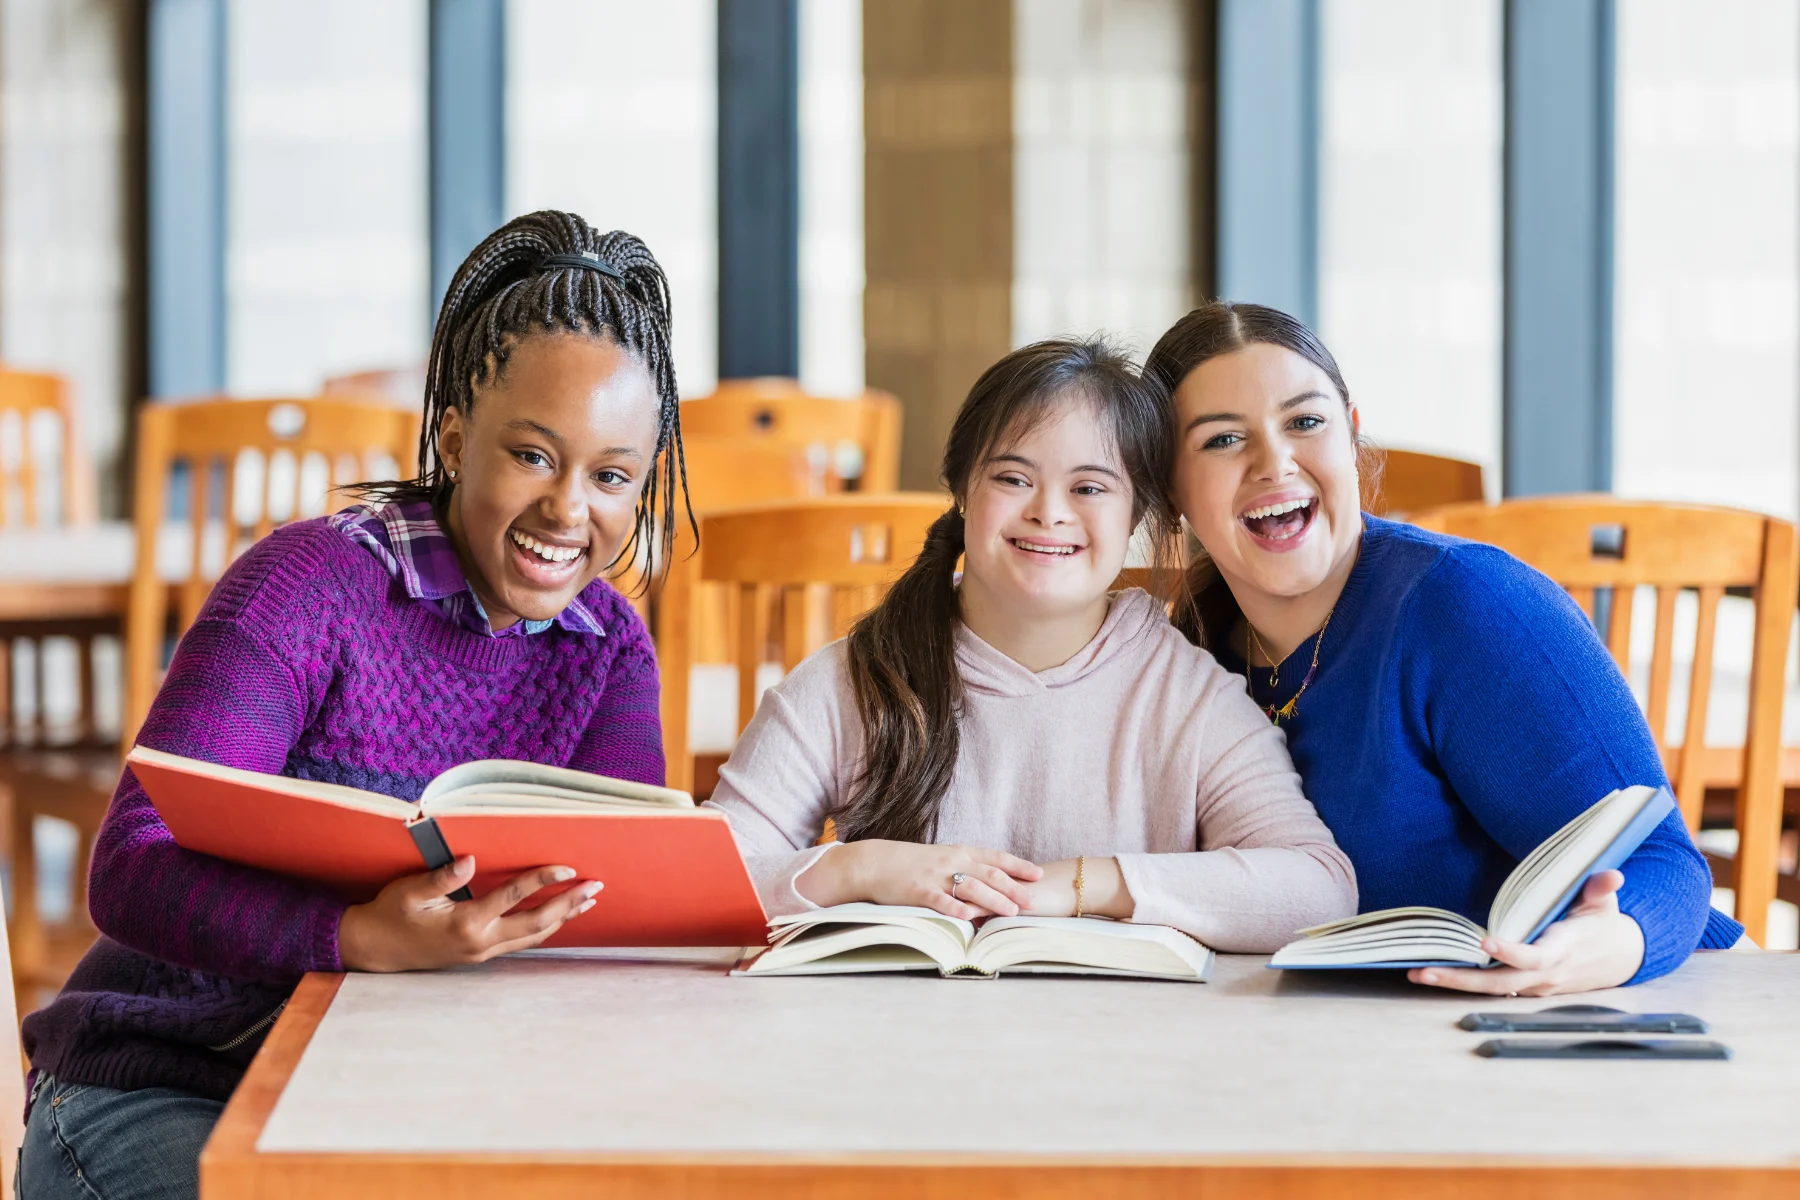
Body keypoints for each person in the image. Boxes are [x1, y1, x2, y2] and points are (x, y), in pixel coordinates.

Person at [18, 211, 686, 1200]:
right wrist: (356, 936)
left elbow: (613, 926)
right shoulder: (307, 586)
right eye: (534, 456)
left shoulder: (608, 653)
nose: (568, 511)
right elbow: (128, 868)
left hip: (402, 1110)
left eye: (612, 476)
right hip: (164, 1086)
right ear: (457, 438)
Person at [1143, 300, 1739, 998]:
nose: (1275, 463)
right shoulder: (1191, 654)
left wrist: (1606, 944)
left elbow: (1667, 863)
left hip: (1636, 997)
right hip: (1369, 1038)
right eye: (1221, 440)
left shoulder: (1462, 600)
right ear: (1168, 487)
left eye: (1306, 422)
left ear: (1352, 434)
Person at [704, 338, 1355, 945]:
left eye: (1090, 488)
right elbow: (702, 883)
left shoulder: (1186, 695)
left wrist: (1079, 884)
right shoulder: (854, 679)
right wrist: (862, 870)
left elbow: (1318, 888)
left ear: (1137, 514)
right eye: (1013, 479)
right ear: (962, 493)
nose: (1049, 511)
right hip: (899, 1053)